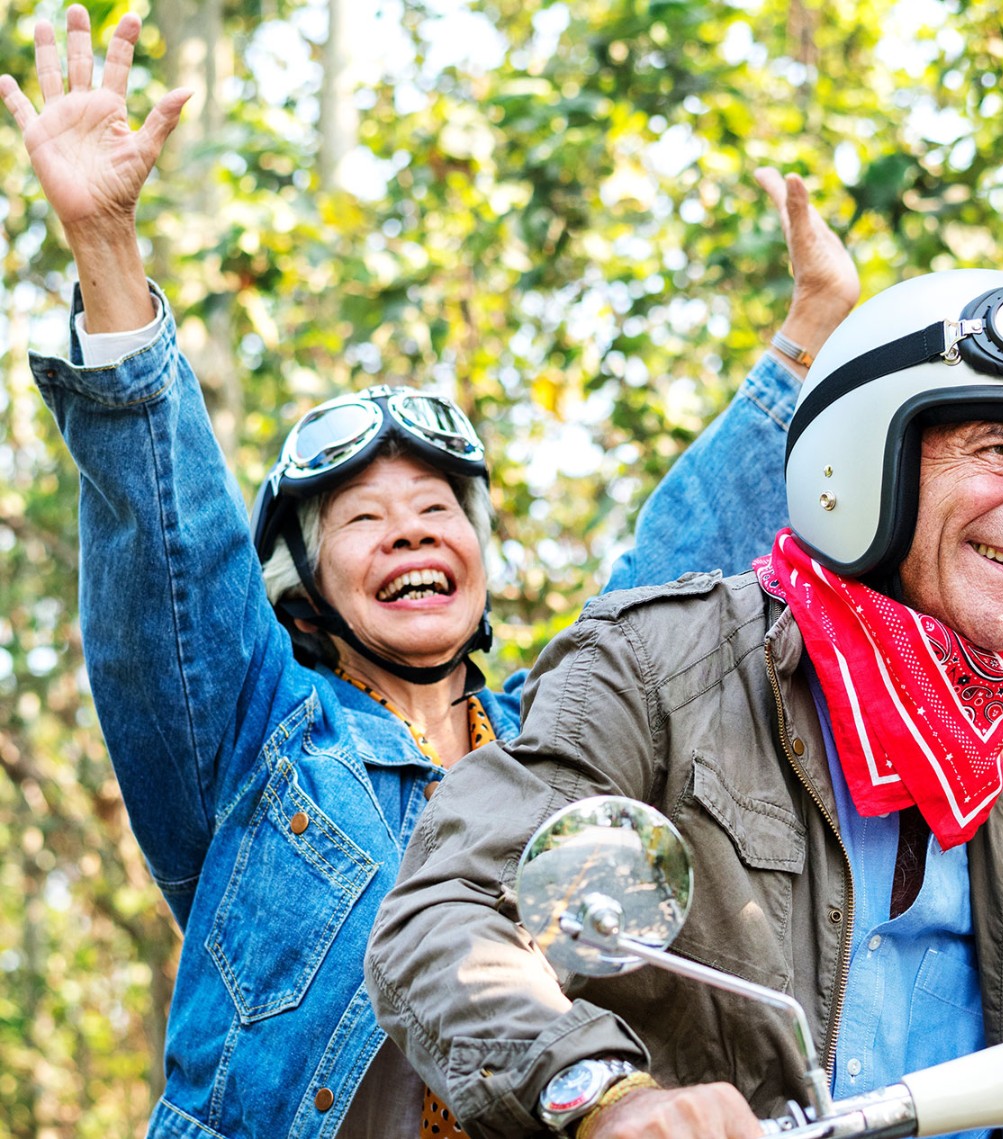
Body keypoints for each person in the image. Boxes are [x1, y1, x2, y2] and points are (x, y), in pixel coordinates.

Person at [0, 7, 860, 1138]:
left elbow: (673, 570)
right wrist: (107, 249)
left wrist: (807, 336)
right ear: (306, 580)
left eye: (436, 508)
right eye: (363, 517)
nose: (411, 531)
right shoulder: (264, 741)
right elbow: (175, 553)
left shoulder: (554, 737)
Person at [364, 269, 1003, 1139]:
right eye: (1002, 450)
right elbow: (445, 914)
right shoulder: (661, 665)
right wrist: (606, 1099)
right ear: (863, 457)